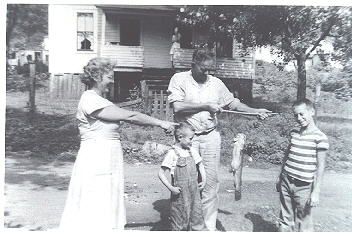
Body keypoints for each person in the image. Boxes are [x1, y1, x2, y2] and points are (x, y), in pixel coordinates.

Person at [60, 57, 177, 230]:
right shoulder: (90, 99)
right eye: (109, 76)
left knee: (106, 197)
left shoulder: (102, 100)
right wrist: (161, 123)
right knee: (96, 197)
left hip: (108, 156)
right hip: (97, 156)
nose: (112, 80)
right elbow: (130, 116)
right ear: (97, 77)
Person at [167, 47, 271, 230]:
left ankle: (208, 227)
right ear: (193, 64)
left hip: (210, 137)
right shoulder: (179, 79)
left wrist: (255, 111)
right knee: (184, 182)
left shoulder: (216, 83)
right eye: (203, 69)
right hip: (186, 139)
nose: (207, 73)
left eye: (210, 69)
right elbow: (177, 107)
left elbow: (233, 103)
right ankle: (184, 226)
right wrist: (206, 105)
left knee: (210, 183)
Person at [275, 99, 329, 232]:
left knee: (304, 223)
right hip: (286, 181)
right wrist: (279, 177)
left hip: (304, 186)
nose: (299, 118)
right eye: (295, 115)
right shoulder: (294, 133)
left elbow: (321, 167)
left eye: (302, 114)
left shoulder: (320, 137)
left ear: (312, 112)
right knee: (285, 219)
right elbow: (287, 156)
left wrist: (316, 191)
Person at [158, 122, 206, 231]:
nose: (192, 141)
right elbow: (161, 173)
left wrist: (204, 180)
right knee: (179, 219)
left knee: (197, 217)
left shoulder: (192, 151)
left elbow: (201, 165)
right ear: (180, 137)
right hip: (180, 195)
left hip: (194, 192)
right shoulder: (172, 153)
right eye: (190, 138)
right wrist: (171, 188)